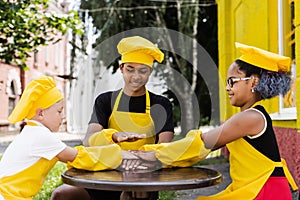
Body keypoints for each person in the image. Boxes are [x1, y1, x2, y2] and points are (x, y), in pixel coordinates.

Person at [136, 42, 298, 199]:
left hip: (264, 191)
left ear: (253, 81)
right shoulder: (251, 115)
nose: (227, 88)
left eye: (232, 81)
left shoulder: (250, 118)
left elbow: (204, 143)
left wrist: (154, 154)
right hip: (254, 187)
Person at [51, 36, 175, 200]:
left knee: (130, 196)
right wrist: (114, 136)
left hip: (141, 175)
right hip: (105, 172)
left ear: (150, 72)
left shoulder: (161, 104)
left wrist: (137, 162)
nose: (136, 76)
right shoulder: (105, 100)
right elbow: (89, 140)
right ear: (121, 68)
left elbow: (164, 147)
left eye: (143, 70)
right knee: (61, 195)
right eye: (130, 69)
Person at [0, 76, 142, 200]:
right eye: (59, 111)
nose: (63, 117)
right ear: (41, 114)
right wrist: (119, 155)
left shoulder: (32, 132)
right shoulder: (40, 135)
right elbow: (77, 157)